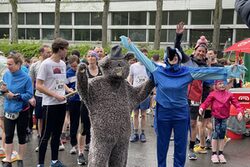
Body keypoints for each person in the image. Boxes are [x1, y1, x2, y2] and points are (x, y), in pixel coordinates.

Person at [120, 35, 246, 167]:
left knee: (180, 146)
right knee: (162, 144)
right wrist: (131, 45)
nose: (173, 58)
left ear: (179, 58)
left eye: (175, 56)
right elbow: (143, 58)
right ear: (166, 58)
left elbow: (207, 72)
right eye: (170, 56)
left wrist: (229, 71)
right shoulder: (158, 70)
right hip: (163, 113)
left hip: (180, 113)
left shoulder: (187, 72)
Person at [36, 38, 73, 167]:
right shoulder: (45, 64)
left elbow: (60, 82)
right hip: (49, 105)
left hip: (61, 104)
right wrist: (55, 95)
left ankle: (54, 161)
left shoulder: (62, 64)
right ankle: (40, 163)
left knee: (57, 134)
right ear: (60, 49)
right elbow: (39, 85)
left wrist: (69, 89)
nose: (67, 52)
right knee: (46, 135)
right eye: (66, 49)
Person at [1, 52, 33, 167]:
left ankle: (20, 158)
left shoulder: (26, 78)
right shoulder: (6, 75)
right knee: (8, 135)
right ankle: (8, 159)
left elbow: (29, 94)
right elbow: (2, 91)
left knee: (21, 135)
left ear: (18, 64)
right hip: (9, 109)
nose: (8, 66)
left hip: (22, 110)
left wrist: (16, 96)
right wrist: (3, 91)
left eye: (10, 64)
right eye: (7, 64)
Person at [199, 80, 244, 164]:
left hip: (224, 118)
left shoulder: (229, 94)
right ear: (216, 85)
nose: (222, 85)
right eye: (220, 83)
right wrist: (202, 108)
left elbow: (237, 104)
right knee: (215, 135)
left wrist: (240, 112)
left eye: (224, 83)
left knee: (222, 135)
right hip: (215, 117)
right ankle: (213, 154)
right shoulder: (213, 94)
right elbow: (206, 103)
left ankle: (220, 153)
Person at [77, 50, 102, 165]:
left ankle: (95, 151)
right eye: (89, 56)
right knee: (84, 129)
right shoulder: (83, 70)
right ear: (86, 58)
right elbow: (79, 86)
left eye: (93, 56)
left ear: (97, 58)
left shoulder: (101, 70)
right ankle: (80, 153)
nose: (91, 58)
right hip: (86, 103)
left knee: (97, 128)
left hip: (99, 103)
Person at [29, 45, 52, 151]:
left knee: (51, 119)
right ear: (41, 53)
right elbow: (30, 82)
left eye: (50, 52)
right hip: (39, 96)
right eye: (47, 52)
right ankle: (41, 140)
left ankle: (53, 141)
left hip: (51, 96)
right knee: (40, 118)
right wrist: (31, 96)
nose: (50, 54)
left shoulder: (53, 64)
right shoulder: (34, 66)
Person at [128, 48, 150, 143]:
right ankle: (135, 133)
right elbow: (130, 77)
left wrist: (152, 91)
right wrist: (130, 87)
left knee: (144, 114)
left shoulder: (149, 66)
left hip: (145, 93)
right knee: (135, 114)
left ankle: (143, 133)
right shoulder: (133, 66)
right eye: (142, 55)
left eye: (146, 55)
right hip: (135, 93)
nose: (144, 57)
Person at [65, 55, 81, 155]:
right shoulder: (68, 73)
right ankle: (73, 144)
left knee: (84, 122)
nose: (74, 68)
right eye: (72, 66)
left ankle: (86, 142)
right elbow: (65, 85)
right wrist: (68, 89)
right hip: (73, 100)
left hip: (83, 100)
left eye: (76, 66)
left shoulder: (83, 71)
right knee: (73, 122)